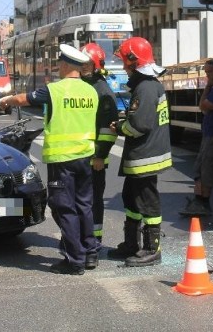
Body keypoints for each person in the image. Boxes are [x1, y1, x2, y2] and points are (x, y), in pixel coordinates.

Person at [0, 44, 97, 276]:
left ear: (65, 65)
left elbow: (25, 99)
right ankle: (90, 252)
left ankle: (75, 260)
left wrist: (6, 101)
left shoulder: (55, 90)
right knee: (84, 205)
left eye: (59, 64)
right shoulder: (90, 91)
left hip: (62, 159)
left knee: (64, 208)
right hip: (85, 155)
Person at [108, 37, 172, 267]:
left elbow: (140, 125)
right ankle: (132, 244)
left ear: (133, 61)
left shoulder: (145, 88)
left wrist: (121, 127)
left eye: (125, 61)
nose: (123, 66)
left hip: (146, 157)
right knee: (131, 199)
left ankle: (152, 249)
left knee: (147, 204)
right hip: (144, 156)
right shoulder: (148, 85)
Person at [80, 42, 119, 269]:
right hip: (81, 156)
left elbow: (108, 129)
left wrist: (99, 156)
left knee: (93, 202)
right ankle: (83, 241)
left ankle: (94, 243)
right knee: (81, 202)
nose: (83, 67)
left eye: (87, 64)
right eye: (81, 63)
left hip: (94, 159)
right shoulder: (84, 86)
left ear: (95, 65)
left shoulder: (101, 90)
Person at [179, 58, 213, 217]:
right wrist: (208, 92)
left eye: (210, 72)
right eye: (206, 72)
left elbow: (204, 106)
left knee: (207, 168)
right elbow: (203, 107)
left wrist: (209, 103)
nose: (208, 75)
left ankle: (203, 203)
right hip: (209, 133)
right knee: (200, 168)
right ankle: (198, 200)